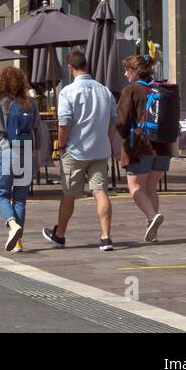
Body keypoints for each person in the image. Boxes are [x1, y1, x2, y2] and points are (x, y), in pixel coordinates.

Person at [43, 50, 117, 252]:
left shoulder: (68, 92)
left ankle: (59, 235)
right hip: (100, 149)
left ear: (70, 67)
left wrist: (62, 145)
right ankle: (106, 237)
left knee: (69, 194)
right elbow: (113, 121)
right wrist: (106, 141)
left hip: (76, 150)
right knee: (100, 191)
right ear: (87, 66)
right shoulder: (105, 90)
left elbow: (64, 124)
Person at [0, 66, 42, 252]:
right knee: (20, 199)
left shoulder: (1, 103)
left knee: (2, 194)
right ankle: (18, 242)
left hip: (7, 150)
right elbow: (37, 129)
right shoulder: (30, 103)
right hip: (26, 151)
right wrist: (38, 153)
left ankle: (12, 226)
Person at [116, 54, 169, 243]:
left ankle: (151, 217)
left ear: (135, 71)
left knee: (135, 188)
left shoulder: (131, 89)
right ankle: (152, 230)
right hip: (163, 146)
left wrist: (121, 136)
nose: (125, 74)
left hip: (140, 147)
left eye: (127, 70)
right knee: (150, 188)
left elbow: (121, 120)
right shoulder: (161, 88)